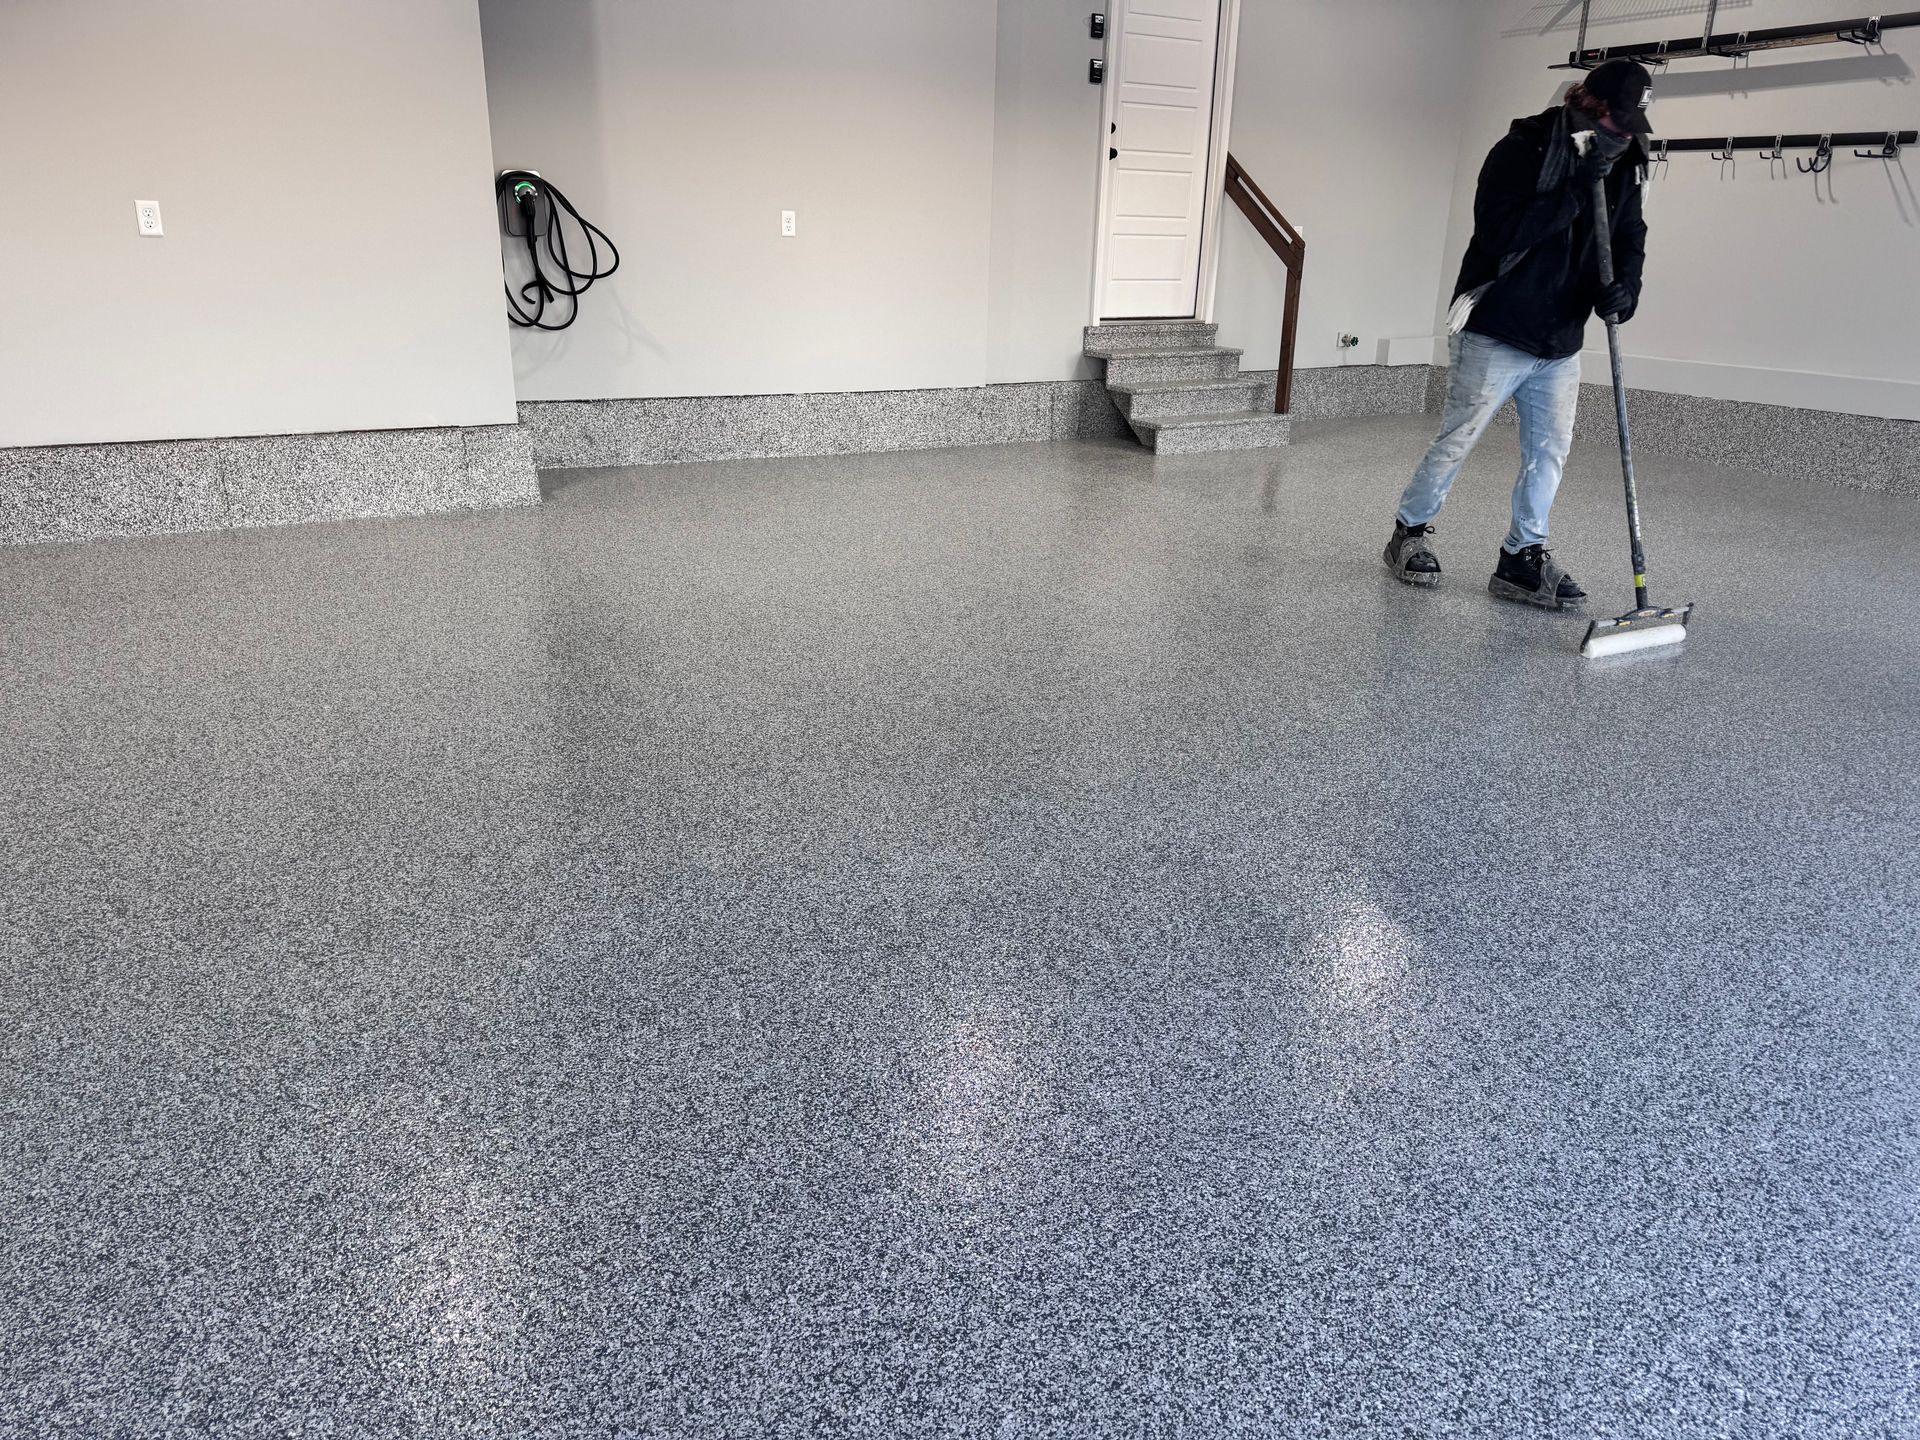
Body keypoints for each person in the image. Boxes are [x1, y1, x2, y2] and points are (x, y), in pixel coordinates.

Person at [1384, 59, 1653, 609]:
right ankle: (1409, 533)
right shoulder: (1522, 149)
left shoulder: (1623, 161)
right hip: (1499, 323)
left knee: (1549, 451)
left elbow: (1630, 233)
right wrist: (1574, 194)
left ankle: (1521, 558)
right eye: (1617, 123)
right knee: (1459, 437)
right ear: (1590, 106)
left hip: (1561, 338)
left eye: (1632, 127)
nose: (1625, 136)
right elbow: (1499, 232)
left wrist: (1625, 288)